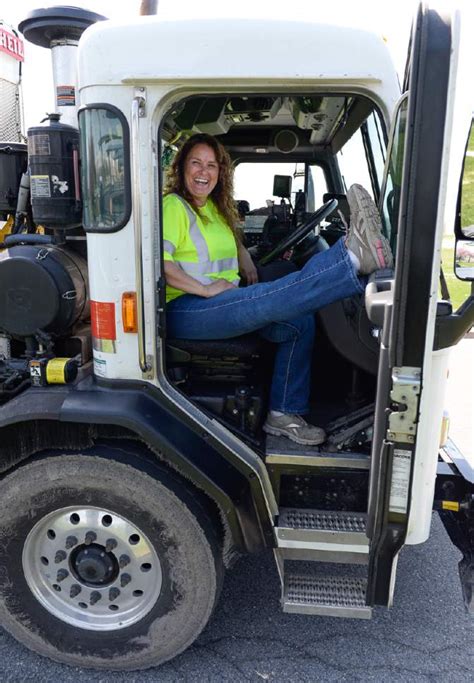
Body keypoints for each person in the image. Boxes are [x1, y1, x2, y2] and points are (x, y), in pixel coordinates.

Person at [162, 133, 393, 446]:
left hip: (220, 299)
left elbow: (230, 241)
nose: (204, 172)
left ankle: (283, 414)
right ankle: (350, 257)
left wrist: (246, 260)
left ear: (220, 173)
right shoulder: (174, 206)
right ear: (182, 168)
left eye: (211, 165)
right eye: (196, 163)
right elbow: (162, 266)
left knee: (298, 323)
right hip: (185, 309)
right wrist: (205, 291)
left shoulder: (213, 209)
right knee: (266, 300)